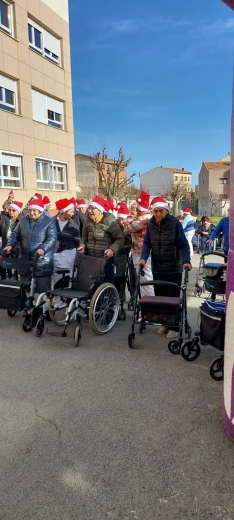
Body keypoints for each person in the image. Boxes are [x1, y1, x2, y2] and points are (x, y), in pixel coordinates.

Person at [139, 196, 192, 339]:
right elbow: (147, 243)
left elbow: (183, 244)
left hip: (173, 266)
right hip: (157, 266)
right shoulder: (151, 223)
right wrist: (143, 258)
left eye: (160, 211)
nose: (157, 214)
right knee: (160, 298)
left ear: (167, 210)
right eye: (155, 211)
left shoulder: (174, 223)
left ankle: (174, 325)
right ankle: (164, 322)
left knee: (173, 298)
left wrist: (186, 261)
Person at [4, 198, 57, 294]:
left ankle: (40, 308)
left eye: (34, 210)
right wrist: (10, 245)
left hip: (41, 262)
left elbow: (52, 238)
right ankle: (28, 308)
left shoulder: (49, 222)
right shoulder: (23, 221)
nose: (31, 213)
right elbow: (15, 234)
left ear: (40, 211)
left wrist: (43, 248)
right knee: (25, 291)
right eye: (30, 210)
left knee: (41, 293)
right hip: (25, 261)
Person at [77, 195, 124, 284]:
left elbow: (120, 239)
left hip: (106, 258)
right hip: (91, 258)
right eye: (89, 208)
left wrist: (112, 249)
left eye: (92, 209)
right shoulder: (87, 221)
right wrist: (82, 245)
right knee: (91, 283)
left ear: (99, 210)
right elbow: (84, 237)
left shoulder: (110, 222)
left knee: (106, 284)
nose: (89, 211)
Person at [124, 190, 154, 297]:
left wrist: (131, 215)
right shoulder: (148, 217)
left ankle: (150, 307)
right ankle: (146, 307)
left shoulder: (143, 218)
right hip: (142, 252)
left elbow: (127, 229)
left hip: (140, 252)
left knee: (145, 280)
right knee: (144, 280)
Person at [53, 198, 80, 286]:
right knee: (57, 283)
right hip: (56, 257)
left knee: (69, 283)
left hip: (69, 257)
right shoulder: (51, 222)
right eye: (71, 211)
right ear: (64, 211)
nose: (73, 213)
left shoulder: (73, 225)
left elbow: (77, 242)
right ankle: (57, 299)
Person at [0, 200, 23, 278]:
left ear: (18, 211)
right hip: (5, 246)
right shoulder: (4, 219)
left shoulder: (22, 221)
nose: (11, 212)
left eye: (13, 210)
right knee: (3, 266)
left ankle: (15, 283)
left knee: (14, 269)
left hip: (17, 249)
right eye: (9, 210)